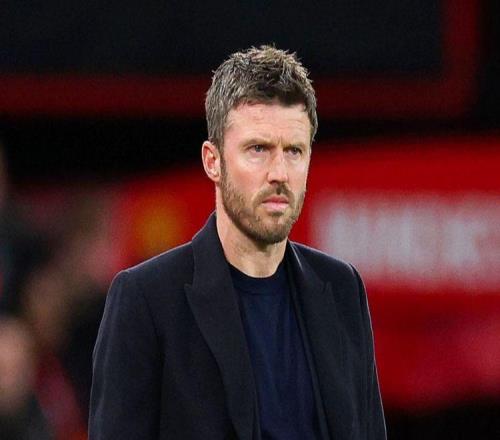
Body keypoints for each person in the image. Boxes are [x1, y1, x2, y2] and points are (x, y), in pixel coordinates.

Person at [89, 45, 386, 440]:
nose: (279, 173)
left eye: (294, 151)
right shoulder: (147, 299)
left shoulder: (342, 289)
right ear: (213, 161)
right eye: (258, 149)